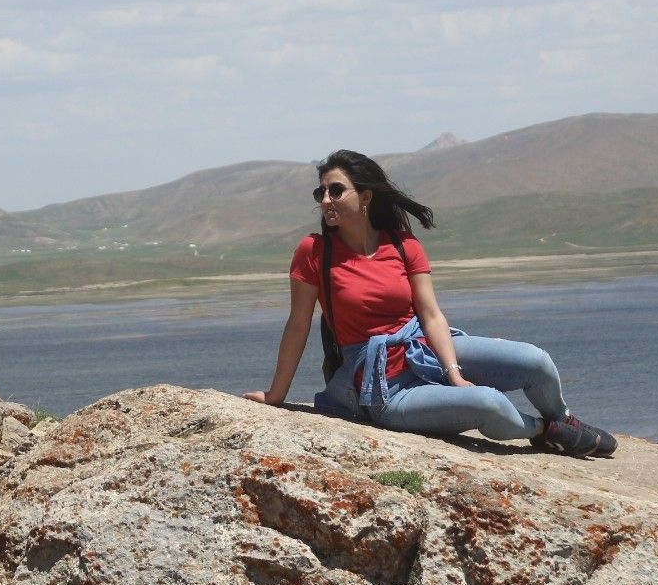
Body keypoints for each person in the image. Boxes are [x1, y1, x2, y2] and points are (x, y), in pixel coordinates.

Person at [244, 149, 616, 458]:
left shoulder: (403, 245)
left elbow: (431, 315)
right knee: (487, 404)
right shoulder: (314, 251)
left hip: (423, 347)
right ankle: (546, 431)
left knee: (535, 361)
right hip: (382, 386)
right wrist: (276, 395)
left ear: (366, 197)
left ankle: (563, 418)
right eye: (321, 192)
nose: (325, 200)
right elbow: (298, 325)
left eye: (336, 191)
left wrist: (453, 372)